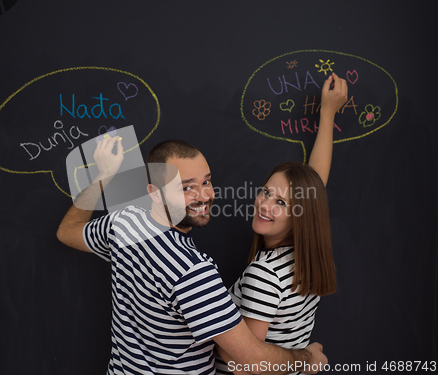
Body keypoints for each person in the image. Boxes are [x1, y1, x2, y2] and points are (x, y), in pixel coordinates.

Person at [56, 73, 345, 375]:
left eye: (206, 181)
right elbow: (248, 360)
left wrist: (103, 176)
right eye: (186, 187)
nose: (204, 195)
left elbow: (67, 231)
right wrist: (308, 359)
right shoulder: (194, 273)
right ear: (154, 193)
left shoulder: (123, 225)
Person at [215, 73, 348, 375]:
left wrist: (215, 330)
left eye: (281, 203)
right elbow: (315, 186)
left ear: (301, 214)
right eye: (265, 192)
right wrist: (327, 114)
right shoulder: (304, 256)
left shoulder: (264, 273)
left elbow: (244, 365)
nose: (264, 205)